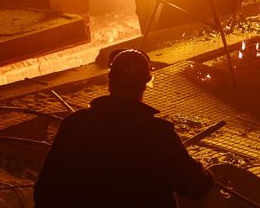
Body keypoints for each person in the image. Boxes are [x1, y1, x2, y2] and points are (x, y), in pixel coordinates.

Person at [34, 49, 213, 207]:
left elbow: (44, 192)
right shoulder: (158, 133)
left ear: (109, 81)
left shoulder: (75, 124)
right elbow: (197, 187)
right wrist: (197, 167)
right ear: (144, 85)